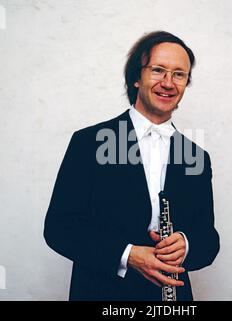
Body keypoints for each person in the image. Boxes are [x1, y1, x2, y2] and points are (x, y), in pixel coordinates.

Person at [44, 31, 220, 301]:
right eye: (158, 70)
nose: (168, 83)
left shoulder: (195, 154)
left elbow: (208, 239)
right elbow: (59, 228)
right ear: (136, 78)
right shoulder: (89, 142)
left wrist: (186, 244)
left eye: (179, 74)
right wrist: (127, 255)